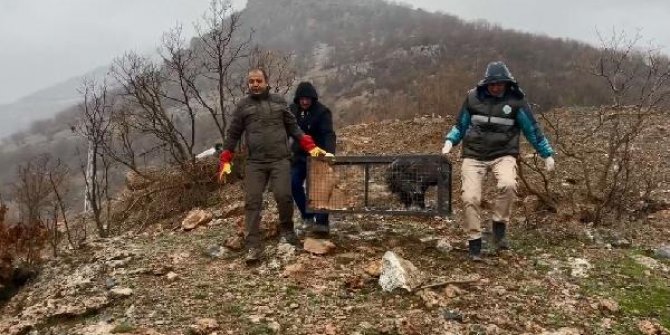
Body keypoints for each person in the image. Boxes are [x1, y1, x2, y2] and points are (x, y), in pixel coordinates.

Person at [441, 61, 556, 261]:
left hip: (503, 153)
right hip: (474, 154)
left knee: (509, 184)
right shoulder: (472, 98)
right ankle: (474, 241)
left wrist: (546, 153)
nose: (496, 87)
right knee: (470, 198)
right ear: (486, 84)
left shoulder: (516, 101)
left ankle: (499, 225)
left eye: (500, 84)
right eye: (492, 84)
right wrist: (450, 141)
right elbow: (460, 125)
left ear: (506, 84)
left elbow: (532, 129)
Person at [218, 69, 328, 263]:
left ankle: (287, 231)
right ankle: (253, 245)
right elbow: (233, 134)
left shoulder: (279, 102)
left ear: (266, 82)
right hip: (255, 163)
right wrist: (226, 159)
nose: (255, 84)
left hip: (280, 160)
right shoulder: (243, 106)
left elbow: (293, 127)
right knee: (252, 201)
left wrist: (311, 147)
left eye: (258, 80)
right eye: (251, 81)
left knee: (284, 196)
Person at [289, 82, 337, 237]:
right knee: (293, 183)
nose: (305, 102)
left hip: (319, 155)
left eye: (308, 98)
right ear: (298, 99)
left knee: (319, 188)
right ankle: (307, 215)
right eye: (302, 99)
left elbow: (328, 134)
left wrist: (329, 153)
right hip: (299, 155)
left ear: (313, 98)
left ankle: (322, 222)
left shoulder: (322, 112)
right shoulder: (292, 111)